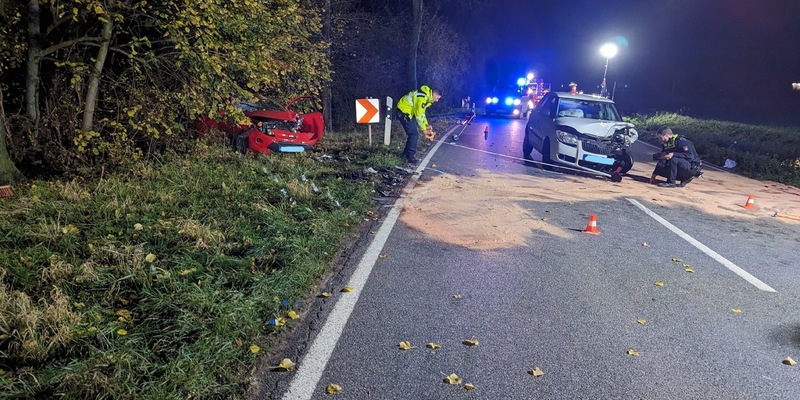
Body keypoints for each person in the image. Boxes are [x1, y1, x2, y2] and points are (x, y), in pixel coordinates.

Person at [396, 85, 441, 163]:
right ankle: (410, 157)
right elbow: (419, 115)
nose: (437, 100)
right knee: (414, 134)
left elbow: (422, 113)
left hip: (407, 112)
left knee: (412, 134)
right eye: (437, 98)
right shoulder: (422, 98)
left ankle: (405, 155)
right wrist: (423, 129)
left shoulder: (426, 98)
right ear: (434, 94)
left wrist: (426, 125)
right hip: (403, 112)